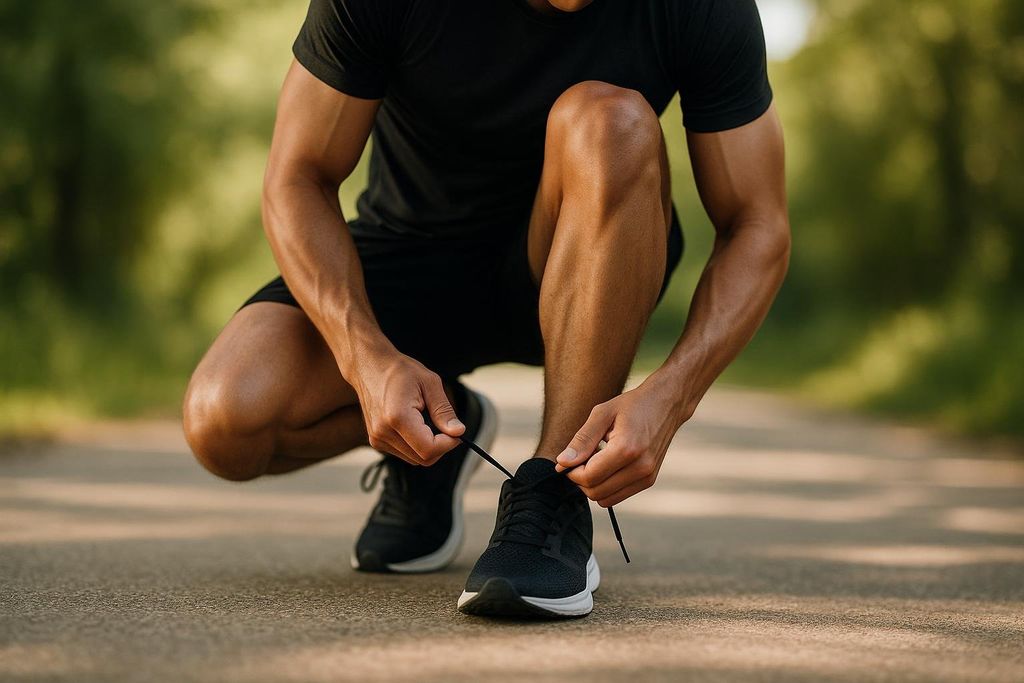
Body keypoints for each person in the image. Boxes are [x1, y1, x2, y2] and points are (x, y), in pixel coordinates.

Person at [182, 0, 790, 618]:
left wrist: (672, 397)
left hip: (581, 260)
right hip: (405, 259)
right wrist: (365, 362)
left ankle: (551, 495)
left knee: (613, 120)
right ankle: (444, 430)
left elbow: (757, 223)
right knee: (225, 421)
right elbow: (298, 175)